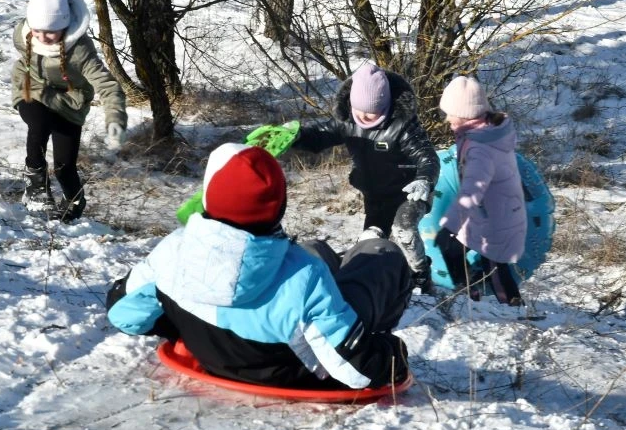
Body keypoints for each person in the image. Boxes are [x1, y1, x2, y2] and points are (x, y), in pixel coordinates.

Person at [105, 143, 414, 390]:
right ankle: (373, 265)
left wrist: (180, 323)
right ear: (279, 208)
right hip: (292, 373)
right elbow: (360, 371)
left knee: (315, 249)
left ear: (208, 199)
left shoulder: (172, 250)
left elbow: (123, 313)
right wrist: (393, 353)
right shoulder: (306, 278)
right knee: (380, 254)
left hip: (211, 355)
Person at [290, 62, 440, 287]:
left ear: (387, 105)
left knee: (403, 230)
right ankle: (381, 281)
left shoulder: (404, 125)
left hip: (409, 192)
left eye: (374, 112)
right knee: (372, 238)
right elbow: (320, 136)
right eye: (360, 111)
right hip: (375, 193)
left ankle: (420, 275)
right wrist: (296, 136)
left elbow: (427, 157)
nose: (366, 118)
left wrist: (424, 180)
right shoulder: (347, 121)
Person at [11, 0, 127, 221]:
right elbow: (23, 62)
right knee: (38, 121)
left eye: (50, 31)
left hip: (69, 105)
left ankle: (74, 206)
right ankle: (35, 184)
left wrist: (115, 119)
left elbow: (107, 86)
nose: (43, 37)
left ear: (65, 25)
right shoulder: (24, 35)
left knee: (64, 168)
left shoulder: (80, 50)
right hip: (32, 91)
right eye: (38, 30)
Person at [435, 76, 527, 305]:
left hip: (498, 222)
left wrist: (450, 225)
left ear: (466, 114)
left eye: (451, 114)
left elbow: (471, 191)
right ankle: (470, 294)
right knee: (453, 250)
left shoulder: (481, 149)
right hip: (489, 213)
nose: (447, 119)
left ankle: (516, 310)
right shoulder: (484, 131)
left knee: (495, 270)